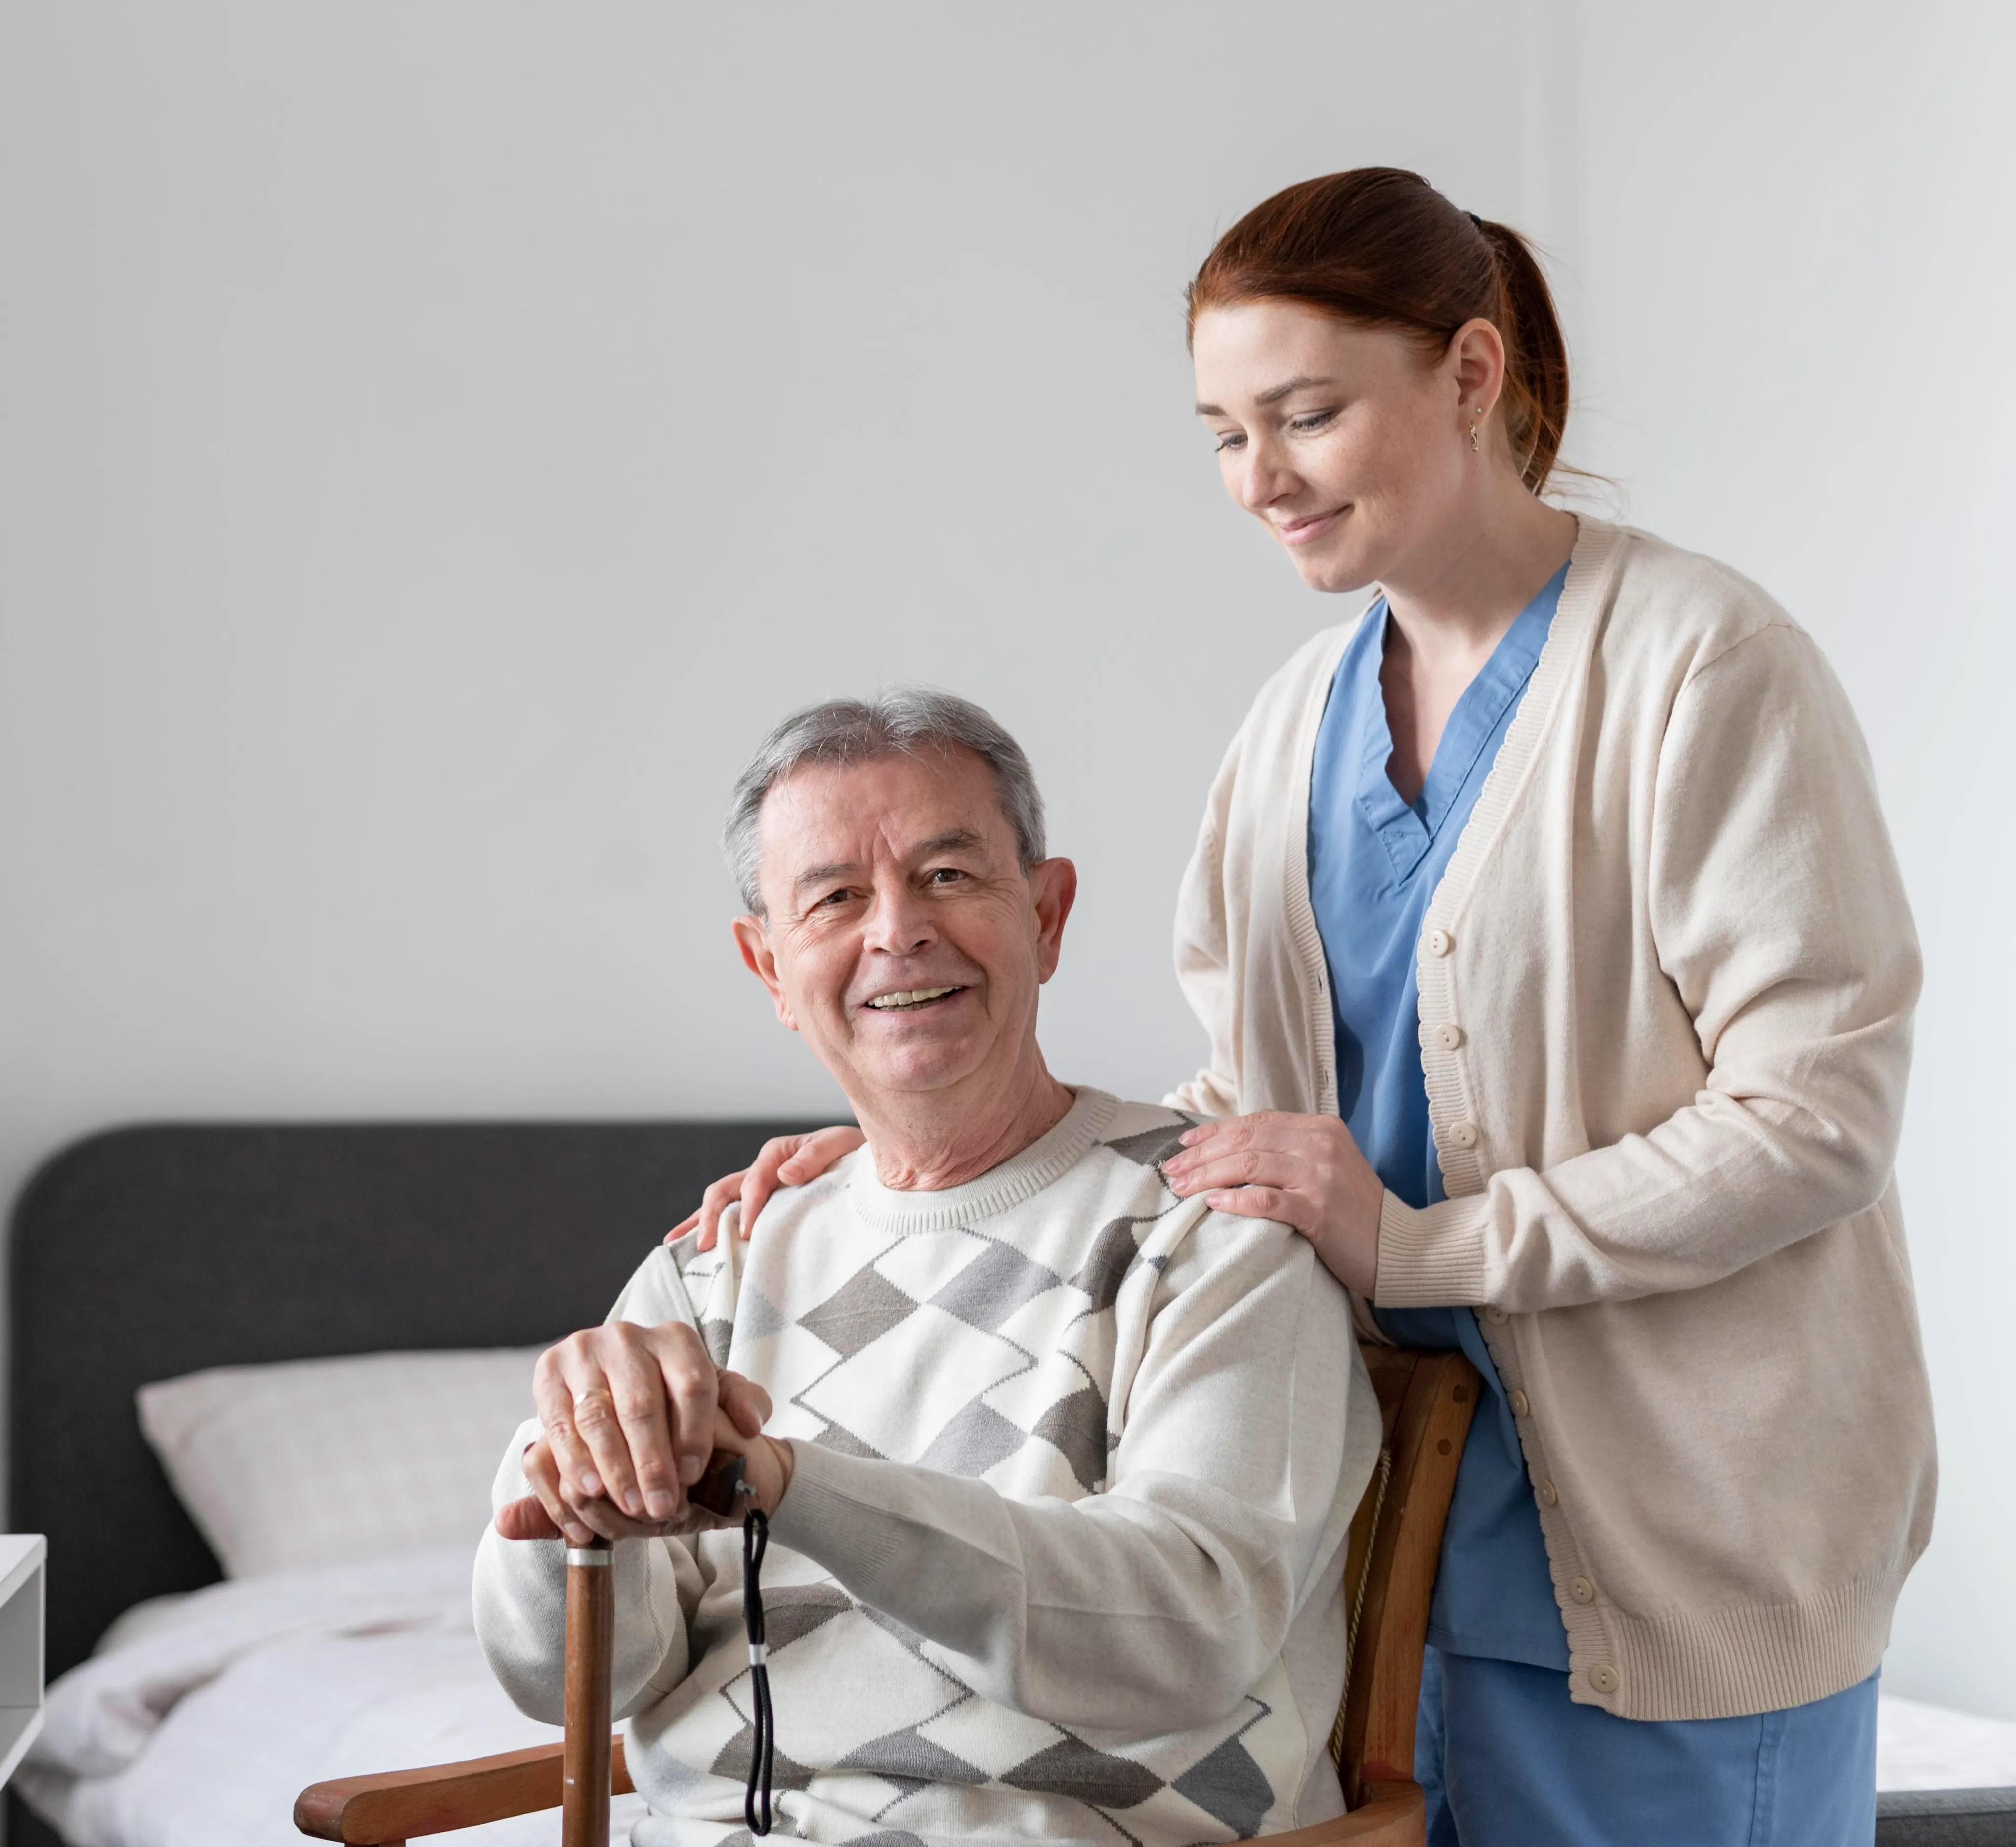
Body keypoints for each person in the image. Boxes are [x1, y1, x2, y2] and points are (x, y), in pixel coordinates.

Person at [678, 170, 1936, 1846]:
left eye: (1305, 416)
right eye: (1220, 433)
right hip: (1379, 1552)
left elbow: (1813, 1120)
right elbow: (1238, 1127)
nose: (1256, 480)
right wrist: (911, 1132)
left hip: (1680, 1539)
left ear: (1469, 375)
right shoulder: (1290, 727)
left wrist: (1412, 1245)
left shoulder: (1699, 668)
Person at [475, 689, 1383, 1847]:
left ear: (1047, 914)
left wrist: (791, 1486)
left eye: (948, 876)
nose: (896, 930)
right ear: (768, 964)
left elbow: (1185, 1632)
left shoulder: (1211, 1230)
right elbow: (586, 1681)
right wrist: (568, 1482)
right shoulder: (714, 1263)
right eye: (835, 897)